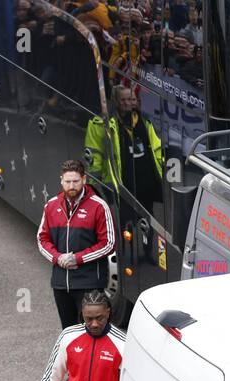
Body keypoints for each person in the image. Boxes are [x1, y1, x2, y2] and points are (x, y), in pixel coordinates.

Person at [38, 161, 115, 329]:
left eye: (76, 181)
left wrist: (76, 259)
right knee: (68, 331)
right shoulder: (51, 206)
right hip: (60, 284)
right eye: (67, 182)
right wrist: (58, 258)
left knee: (92, 331)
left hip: (89, 284)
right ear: (61, 180)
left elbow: (109, 243)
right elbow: (42, 239)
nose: (71, 186)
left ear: (84, 179)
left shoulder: (99, 206)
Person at [85, 85, 164, 213]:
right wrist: (92, 188)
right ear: (115, 101)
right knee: (125, 222)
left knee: (147, 218)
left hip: (145, 183)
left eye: (132, 99)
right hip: (122, 185)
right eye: (124, 100)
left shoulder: (146, 122)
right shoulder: (100, 124)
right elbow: (95, 156)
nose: (128, 103)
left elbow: (157, 149)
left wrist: (163, 174)